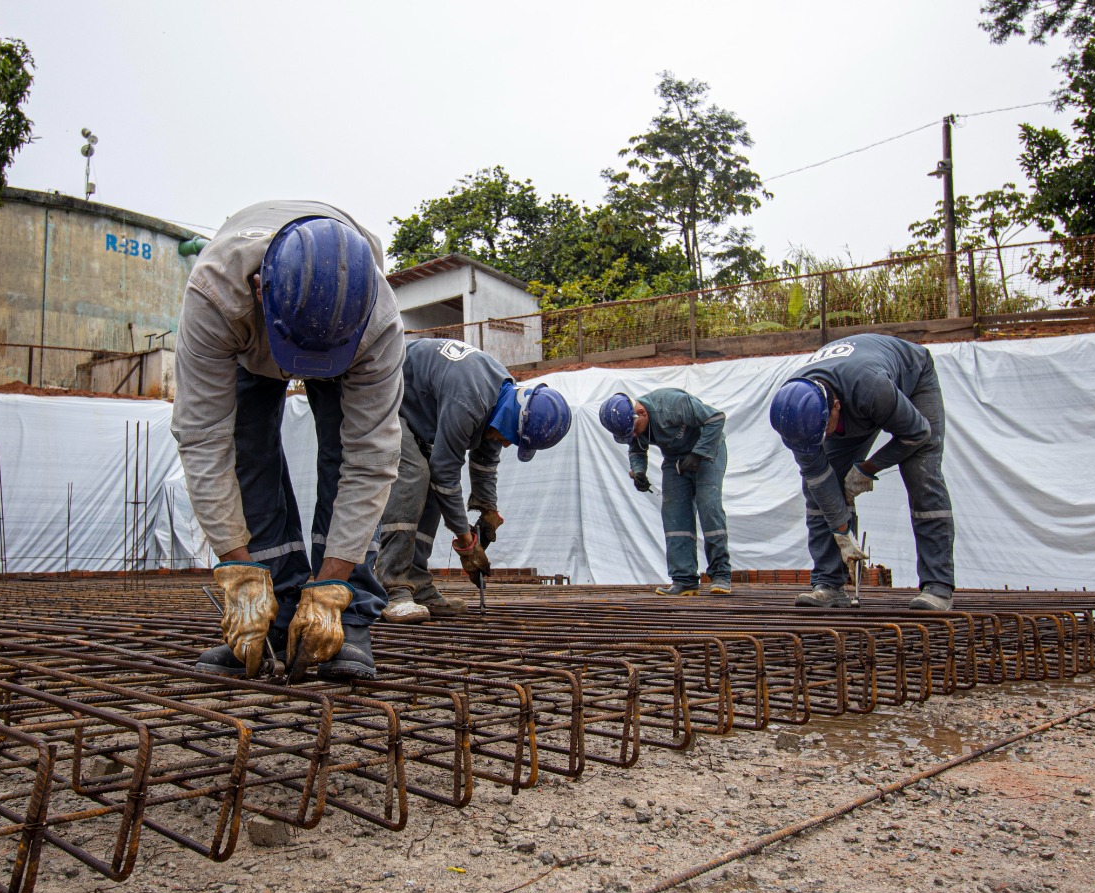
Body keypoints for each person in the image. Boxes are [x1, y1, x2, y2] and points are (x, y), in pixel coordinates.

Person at [173, 202, 402, 682]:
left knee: (345, 458)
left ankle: (347, 616)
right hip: (246, 340)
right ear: (260, 289)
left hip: (347, 343)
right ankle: (271, 615)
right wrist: (240, 579)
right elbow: (203, 440)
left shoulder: (376, 322)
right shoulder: (214, 296)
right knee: (243, 452)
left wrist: (333, 586)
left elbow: (370, 459)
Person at [375, 338, 572, 623]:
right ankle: (392, 587)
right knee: (415, 475)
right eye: (512, 439)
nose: (506, 445)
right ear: (514, 418)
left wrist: (488, 510)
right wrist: (466, 542)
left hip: (420, 407)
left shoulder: (504, 400)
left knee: (429, 486)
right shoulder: (469, 400)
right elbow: (445, 475)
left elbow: (485, 463)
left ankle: (418, 586)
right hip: (384, 391)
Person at [768, 333, 954, 611]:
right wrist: (843, 534)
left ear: (835, 408)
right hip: (853, 396)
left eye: (824, 431)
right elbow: (819, 481)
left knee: (922, 477)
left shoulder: (872, 389)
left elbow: (918, 434)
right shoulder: (795, 413)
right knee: (816, 492)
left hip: (912, 382)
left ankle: (937, 585)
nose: (820, 442)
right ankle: (828, 584)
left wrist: (867, 469)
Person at [598, 389, 731, 596]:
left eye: (633, 430)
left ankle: (721, 575)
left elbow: (716, 418)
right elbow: (637, 449)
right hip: (675, 459)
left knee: (709, 506)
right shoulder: (632, 424)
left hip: (708, 450)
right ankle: (684, 579)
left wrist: (698, 455)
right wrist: (639, 472)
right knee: (674, 515)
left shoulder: (672, 404)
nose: (633, 435)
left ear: (641, 412)